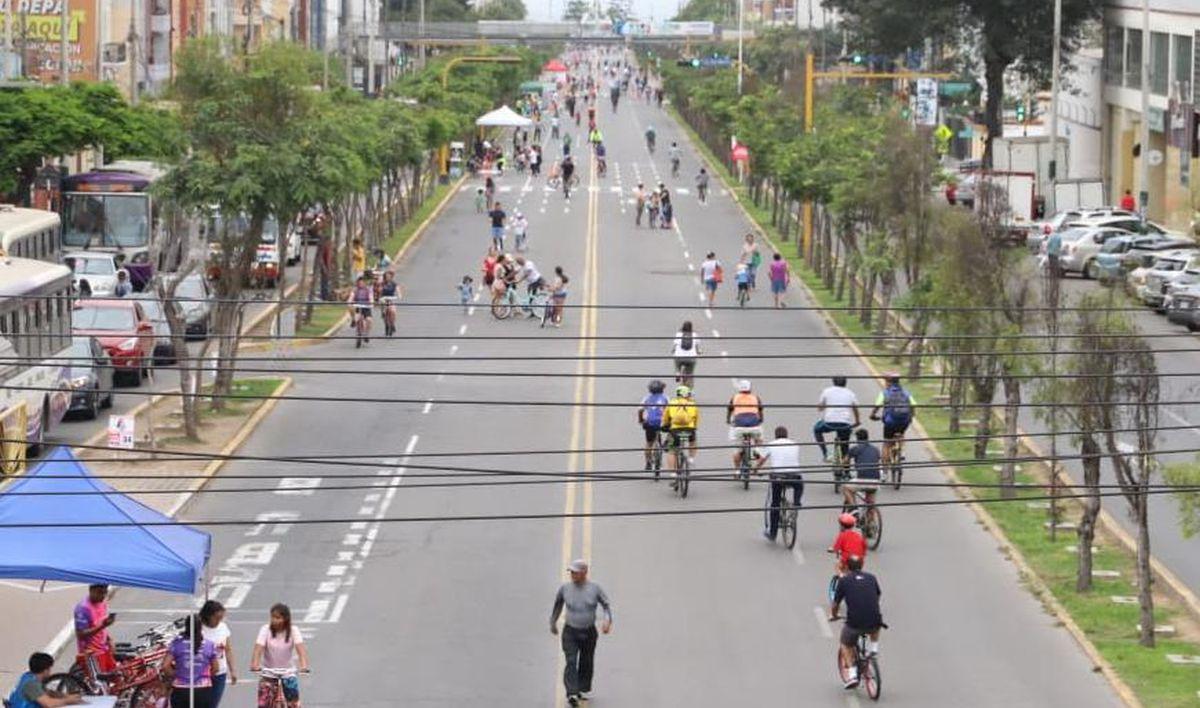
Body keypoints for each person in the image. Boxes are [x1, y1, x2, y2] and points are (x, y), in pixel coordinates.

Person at [550, 559, 613, 707]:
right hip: (570, 632)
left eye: (575, 572)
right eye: (571, 572)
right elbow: (557, 604)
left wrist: (607, 621)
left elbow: (606, 605)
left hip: (588, 632)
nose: (572, 575)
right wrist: (553, 621)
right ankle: (572, 693)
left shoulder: (595, 589)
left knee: (586, 661)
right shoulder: (565, 589)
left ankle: (581, 688)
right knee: (571, 661)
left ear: (584, 572)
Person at [829, 556, 884, 689]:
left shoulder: (844, 581)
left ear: (847, 566)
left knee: (845, 643)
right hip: (874, 620)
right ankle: (874, 649)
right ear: (862, 565)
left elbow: (835, 603)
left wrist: (834, 615)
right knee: (876, 624)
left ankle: (853, 675)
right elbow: (877, 595)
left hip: (855, 622)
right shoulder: (872, 577)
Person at [250, 603, 310, 708]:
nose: (274, 620)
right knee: (263, 704)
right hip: (268, 671)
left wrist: (303, 666)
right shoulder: (265, 629)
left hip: (288, 672)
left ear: (285, 619)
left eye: (278, 618)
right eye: (272, 617)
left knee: (294, 704)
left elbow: (301, 651)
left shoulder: (293, 630)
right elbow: (258, 649)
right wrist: (255, 664)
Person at [756, 426, 804, 541]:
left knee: (775, 504)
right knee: (800, 484)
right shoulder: (795, 444)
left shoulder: (771, 444)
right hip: (794, 476)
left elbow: (761, 461)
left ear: (775, 435)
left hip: (778, 477)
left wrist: (755, 470)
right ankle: (796, 502)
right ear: (787, 435)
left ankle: (772, 533)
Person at [163, 615, 219, 708]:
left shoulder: (176, 643)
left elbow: (165, 666)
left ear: (186, 626)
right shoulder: (209, 645)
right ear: (201, 627)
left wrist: (176, 675)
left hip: (181, 690)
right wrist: (205, 676)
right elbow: (216, 668)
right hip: (202, 691)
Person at [869, 373, 915, 467]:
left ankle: (884, 471)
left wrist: (872, 415)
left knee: (887, 443)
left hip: (890, 422)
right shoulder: (906, 392)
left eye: (886, 381)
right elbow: (913, 404)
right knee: (901, 433)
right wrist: (911, 416)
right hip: (904, 421)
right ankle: (901, 452)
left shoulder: (885, 393)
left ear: (889, 382)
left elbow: (877, 406)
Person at [8, 653, 82, 708]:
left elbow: (48, 692)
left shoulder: (27, 676)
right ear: (45, 670)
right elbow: (49, 704)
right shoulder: (31, 684)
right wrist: (68, 701)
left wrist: (66, 696)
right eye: (49, 669)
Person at [814, 376, 860, 462]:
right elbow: (855, 409)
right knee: (845, 447)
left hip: (829, 423)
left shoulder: (827, 391)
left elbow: (820, 408)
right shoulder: (850, 393)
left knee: (816, 429)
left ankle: (825, 454)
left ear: (833, 382)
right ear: (845, 383)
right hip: (845, 424)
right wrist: (857, 421)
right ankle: (846, 472)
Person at [200, 600, 236, 707]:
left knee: (213, 704)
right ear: (208, 616)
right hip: (202, 674)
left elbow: (228, 650)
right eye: (216, 618)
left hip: (220, 673)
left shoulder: (223, 627)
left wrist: (233, 670)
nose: (219, 621)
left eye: (221, 618)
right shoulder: (198, 629)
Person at [662, 384, 699, 488]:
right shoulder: (692, 404)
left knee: (671, 451)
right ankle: (691, 458)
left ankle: (673, 474)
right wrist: (694, 428)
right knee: (693, 441)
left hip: (675, 431)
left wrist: (665, 425)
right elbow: (696, 419)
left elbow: (665, 418)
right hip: (689, 431)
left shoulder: (672, 403)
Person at [74, 584, 116, 673]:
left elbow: (101, 624)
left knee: (115, 676)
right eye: (100, 593)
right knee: (101, 683)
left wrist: (109, 639)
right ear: (91, 590)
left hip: (104, 648)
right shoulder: (83, 608)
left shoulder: (102, 603)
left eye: (105, 593)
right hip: (92, 652)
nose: (103, 596)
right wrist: (103, 626)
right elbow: (81, 634)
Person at [727, 379, 764, 471]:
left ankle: (737, 470)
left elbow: (729, 410)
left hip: (739, 426)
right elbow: (760, 411)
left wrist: (728, 420)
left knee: (737, 449)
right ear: (750, 388)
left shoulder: (734, 397)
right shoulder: (756, 397)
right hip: (754, 425)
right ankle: (757, 450)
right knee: (759, 440)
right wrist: (760, 420)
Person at [844, 428, 882, 511]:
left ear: (857, 438)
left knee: (846, 488)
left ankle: (854, 509)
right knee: (870, 502)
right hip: (875, 479)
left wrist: (845, 470)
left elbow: (845, 461)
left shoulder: (855, 448)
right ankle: (871, 521)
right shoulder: (876, 449)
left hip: (862, 478)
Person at [638, 380, 669, 470]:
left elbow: (640, 410)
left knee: (649, 443)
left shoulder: (647, 398)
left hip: (650, 423)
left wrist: (641, 420)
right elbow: (671, 409)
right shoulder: (665, 397)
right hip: (662, 422)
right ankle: (667, 443)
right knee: (672, 430)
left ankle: (648, 462)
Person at [346, 275, 374, 344]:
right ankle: (353, 320)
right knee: (353, 311)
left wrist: (371, 303)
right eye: (359, 282)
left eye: (362, 282)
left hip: (366, 308)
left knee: (369, 320)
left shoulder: (368, 290)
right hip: (358, 307)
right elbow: (351, 297)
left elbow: (371, 297)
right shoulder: (355, 290)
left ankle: (366, 334)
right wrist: (349, 302)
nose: (361, 284)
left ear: (365, 283)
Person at [378, 270, 400, 338]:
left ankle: (392, 324)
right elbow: (379, 290)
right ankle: (386, 326)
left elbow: (398, 290)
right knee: (384, 313)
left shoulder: (394, 284)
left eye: (389, 276)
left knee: (393, 311)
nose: (388, 278)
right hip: (383, 299)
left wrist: (399, 295)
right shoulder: (382, 283)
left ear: (391, 277)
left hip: (391, 299)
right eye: (386, 276)